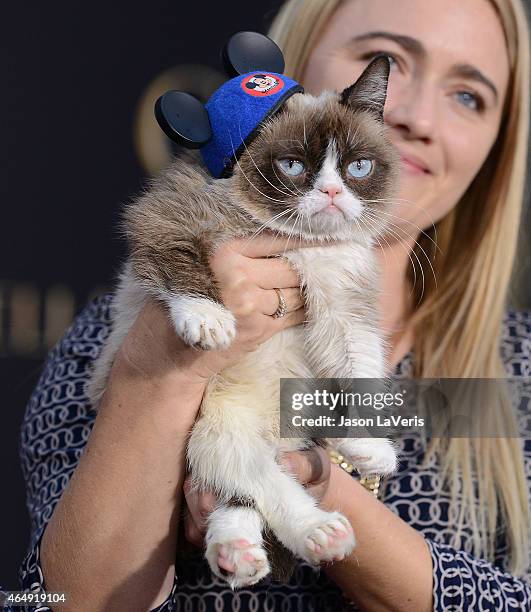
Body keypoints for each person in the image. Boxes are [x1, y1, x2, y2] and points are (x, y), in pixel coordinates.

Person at [14, 0, 530, 610]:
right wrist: (165, 367)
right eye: (379, 59)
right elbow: (53, 602)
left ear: (500, 142)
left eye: (468, 95)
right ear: (296, 61)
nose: (412, 116)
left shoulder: (516, 366)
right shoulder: (113, 333)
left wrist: (319, 484)